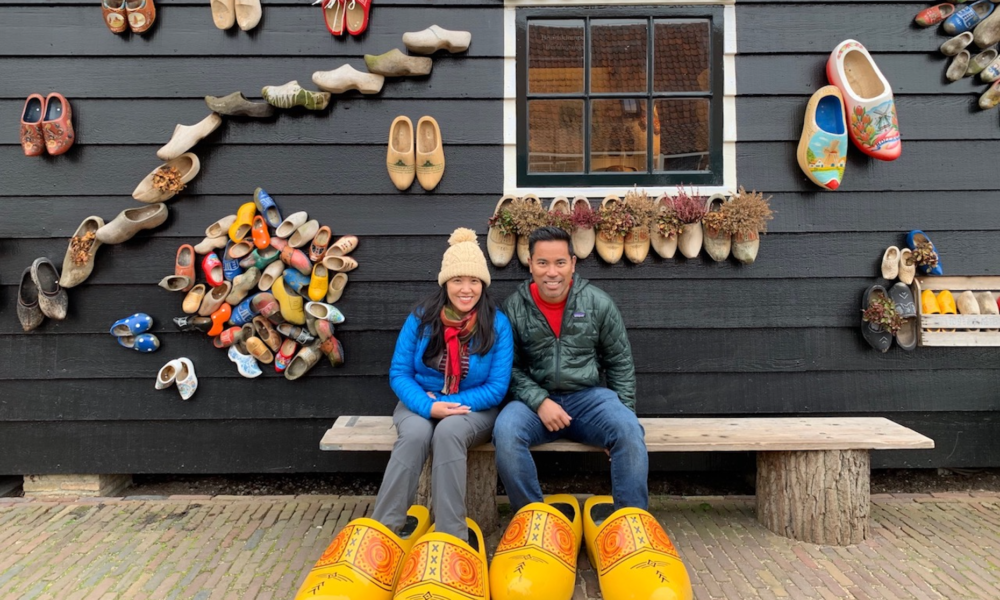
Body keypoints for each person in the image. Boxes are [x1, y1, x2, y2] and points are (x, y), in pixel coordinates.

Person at [370, 227, 514, 542]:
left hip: (474, 407)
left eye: (474, 281)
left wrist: (453, 405)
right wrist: (428, 406)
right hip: (420, 401)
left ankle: (452, 538)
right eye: (457, 280)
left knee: (449, 433)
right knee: (415, 434)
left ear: (483, 284)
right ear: (445, 282)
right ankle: (384, 533)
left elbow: (496, 387)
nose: (466, 289)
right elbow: (399, 373)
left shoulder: (498, 324)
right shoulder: (422, 318)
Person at [494, 225, 647, 512]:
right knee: (505, 431)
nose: (552, 272)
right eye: (543, 262)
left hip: (587, 399)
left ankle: (632, 519)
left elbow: (620, 364)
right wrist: (540, 402)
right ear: (531, 264)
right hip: (533, 404)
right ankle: (532, 518)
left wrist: (621, 417)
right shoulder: (513, 308)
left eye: (560, 262)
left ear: (572, 264)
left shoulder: (598, 303)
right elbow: (507, 369)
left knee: (628, 428)